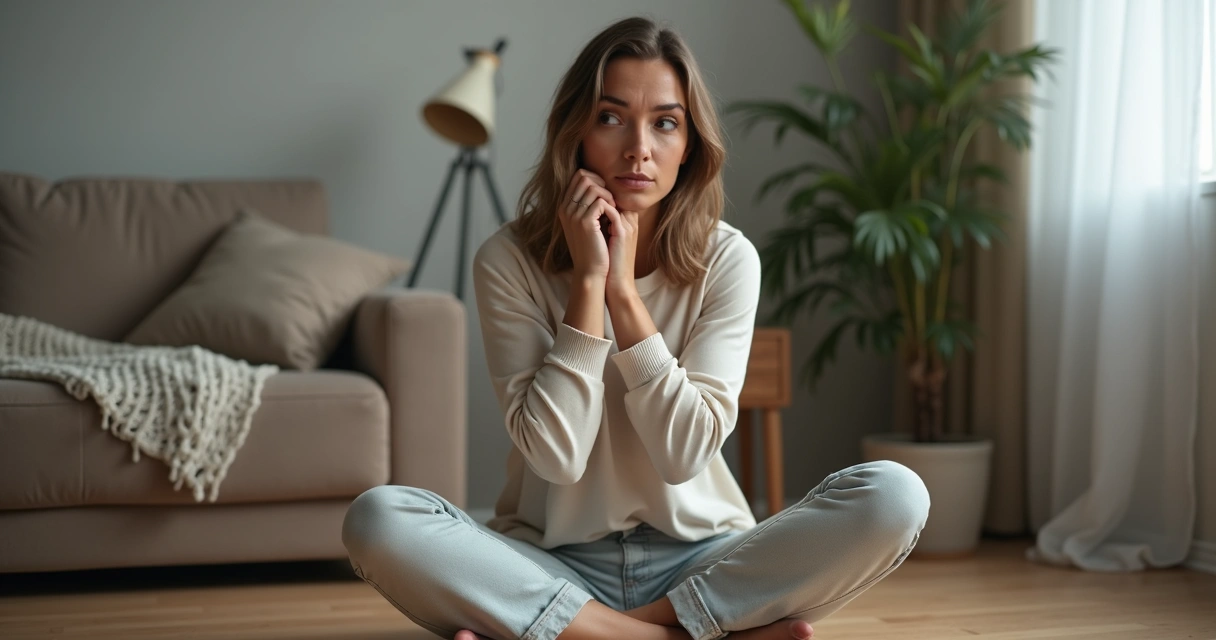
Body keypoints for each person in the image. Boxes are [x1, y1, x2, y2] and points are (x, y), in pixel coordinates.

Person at [342, 16, 929, 640]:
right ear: (576, 134)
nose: (638, 148)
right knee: (379, 519)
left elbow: (682, 457)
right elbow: (556, 457)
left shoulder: (727, 258)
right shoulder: (508, 259)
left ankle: (579, 632)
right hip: (551, 561)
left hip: (706, 558)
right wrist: (589, 283)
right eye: (611, 116)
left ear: (691, 145)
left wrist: (623, 292)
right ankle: (678, 633)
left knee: (896, 495)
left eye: (665, 122)